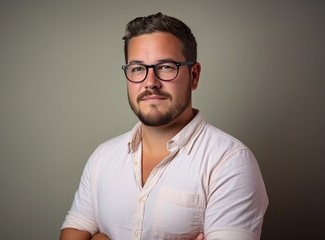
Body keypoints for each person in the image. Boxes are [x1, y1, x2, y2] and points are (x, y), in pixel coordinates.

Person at [60, 12, 268, 240]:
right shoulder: (102, 157)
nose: (151, 82)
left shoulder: (230, 162)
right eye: (138, 68)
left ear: (194, 75)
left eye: (167, 67)